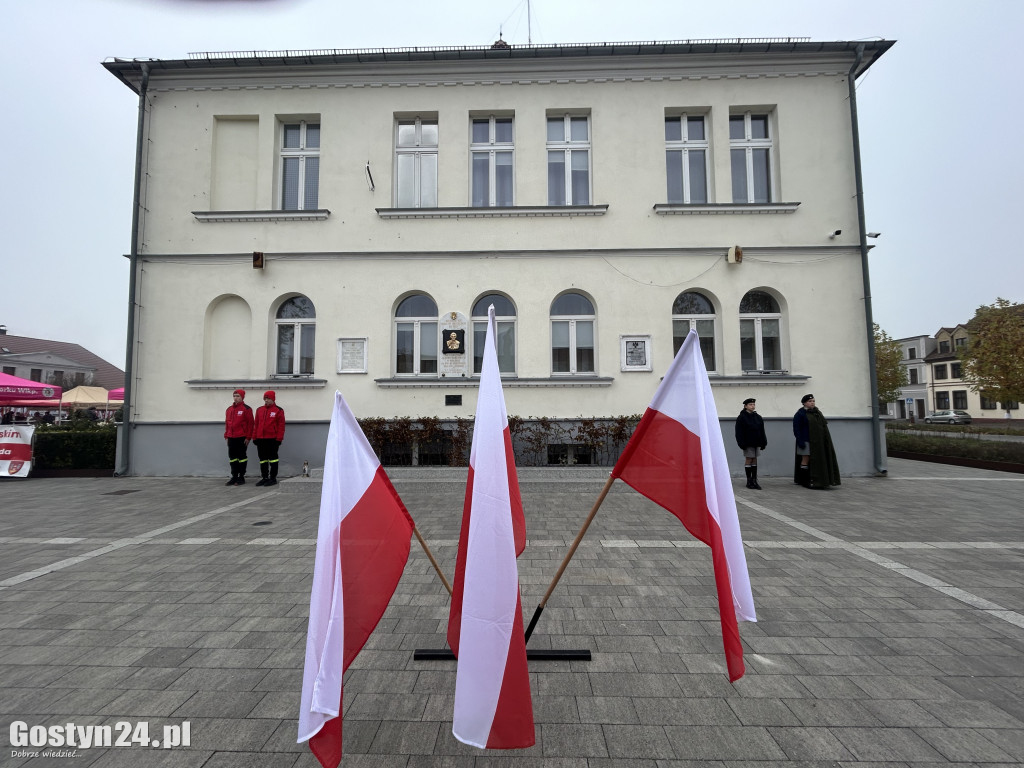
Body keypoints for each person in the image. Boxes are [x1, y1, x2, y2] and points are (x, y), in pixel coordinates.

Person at [793, 394, 841, 489]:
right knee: (805, 459)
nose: (812, 403)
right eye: (810, 401)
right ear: (804, 403)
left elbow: (823, 427)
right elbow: (796, 429)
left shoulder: (817, 413)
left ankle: (817, 479)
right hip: (805, 440)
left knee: (816, 460)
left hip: (817, 442)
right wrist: (800, 441)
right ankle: (804, 480)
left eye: (813, 401)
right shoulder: (800, 414)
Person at [253, 390, 286, 487]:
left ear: (273, 399)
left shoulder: (278, 410)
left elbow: (281, 426)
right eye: (265, 399)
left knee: (273, 459)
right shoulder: (259, 410)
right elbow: (256, 424)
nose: (266, 400)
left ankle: (273, 478)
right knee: (262, 459)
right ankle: (264, 477)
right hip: (261, 439)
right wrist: (254, 437)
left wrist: (279, 439)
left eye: (268, 398)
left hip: (272, 439)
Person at [735, 397, 767, 490]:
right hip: (748, 442)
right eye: (750, 404)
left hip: (756, 442)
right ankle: (749, 481)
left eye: (753, 404)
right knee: (749, 459)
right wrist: (741, 443)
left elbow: (762, 430)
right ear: (745, 406)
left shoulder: (757, 417)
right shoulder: (742, 417)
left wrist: (764, 441)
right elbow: (739, 432)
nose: (752, 406)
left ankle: (754, 480)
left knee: (755, 459)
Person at [224, 389, 254, 485]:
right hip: (231, 437)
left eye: (238, 396)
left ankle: (241, 477)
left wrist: (248, 437)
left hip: (242, 437)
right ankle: (234, 476)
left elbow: (251, 424)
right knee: (232, 457)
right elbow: (227, 424)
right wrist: (226, 435)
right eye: (234, 396)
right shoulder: (229, 409)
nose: (235, 398)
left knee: (242, 457)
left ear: (242, 397)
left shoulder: (247, 409)